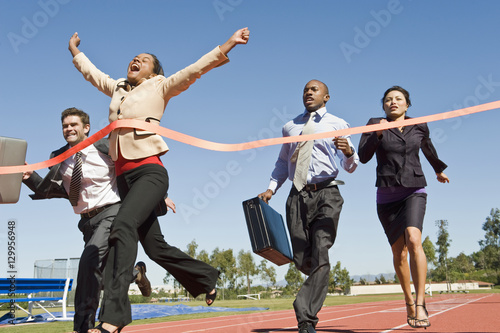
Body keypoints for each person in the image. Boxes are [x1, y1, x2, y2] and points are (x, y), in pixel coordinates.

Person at [68, 27, 250, 333]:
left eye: (144, 60)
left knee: (122, 226)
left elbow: (195, 69)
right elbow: (94, 75)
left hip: (149, 172)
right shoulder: (118, 88)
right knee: (154, 247)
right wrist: (75, 52)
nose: (136, 60)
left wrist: (229, 44)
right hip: (126, 181)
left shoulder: (160, 87)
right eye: (134, 58)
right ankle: (206, 277)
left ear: (155, 72)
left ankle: (114, 316)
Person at [22, 107, 158, 333]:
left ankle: (83, 327)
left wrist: (157, 192)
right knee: (101, 276)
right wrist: (29, 177)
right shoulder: (58, 157)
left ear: (86, 128)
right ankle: (136, 274)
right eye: (65, 126)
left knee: (87, 263)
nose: (69, 129)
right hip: (86, 222)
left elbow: (133, 170)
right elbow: (53, 190)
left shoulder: (105, 147)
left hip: (111, 211)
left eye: (74, 125)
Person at [258, 80, 359, 333]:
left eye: (314, 89)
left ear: (326, 97)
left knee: (321, 250)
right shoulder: (290, 127)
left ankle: (305, 317)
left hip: (327, 193)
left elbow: (351, 165)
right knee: (304, 258)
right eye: (305, 89)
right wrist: (271, 188)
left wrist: (348, 153)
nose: (309, 92)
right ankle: (314, 280)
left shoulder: (338, 124)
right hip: (297, 195)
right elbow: (283, 162)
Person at [358, 86, 450, 329]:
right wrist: (377, 135)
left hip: (414, 189)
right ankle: (408, 301)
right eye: (388, 100)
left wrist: (438, 170)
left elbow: (428, 148)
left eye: (398, 99)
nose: (393, 102)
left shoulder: (419, 124)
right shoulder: (374, 123)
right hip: (387, 195)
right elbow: (364, 156)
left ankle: (420, 303)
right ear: (383, 106)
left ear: (407, 105)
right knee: (399, 253)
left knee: (413, 239)